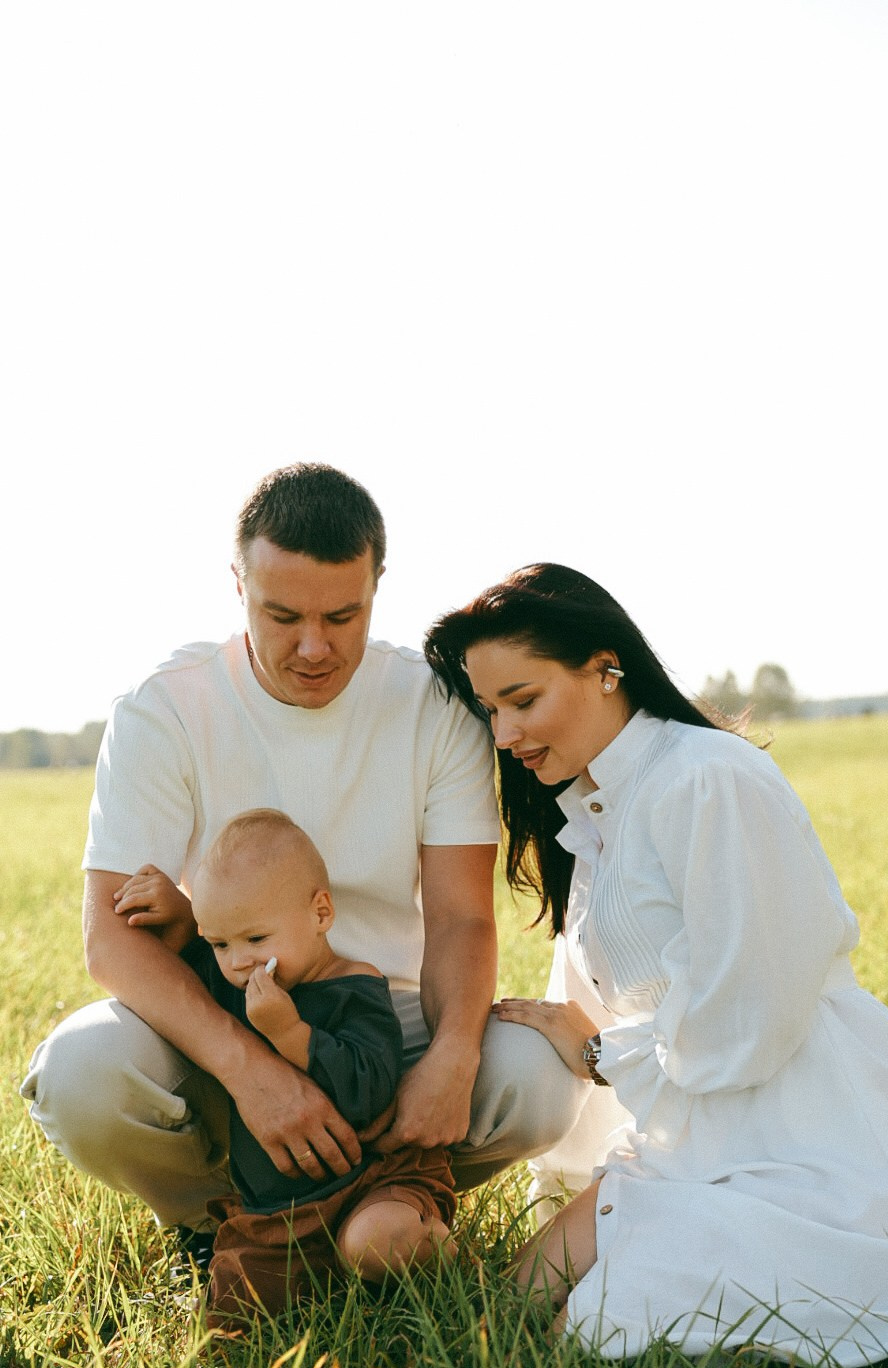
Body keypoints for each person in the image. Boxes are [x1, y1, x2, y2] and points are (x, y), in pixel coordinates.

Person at [423, 563, 888, 1366]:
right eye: (491, 710)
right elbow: (614, 1012)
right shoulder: (594, 815)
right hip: (697, 1133)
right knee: (506, 1309)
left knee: (592, 1329)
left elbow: (747, 1024)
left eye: (523, 702)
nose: (503, 736)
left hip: (815, 1133)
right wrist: (571, 1166)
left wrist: (597, 1054)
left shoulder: (707, 782)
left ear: (606, 668)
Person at [21, 466, 586, 1265]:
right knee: (79, 1075)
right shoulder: (165, 708)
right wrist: (255, 1072)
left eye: (342, 615)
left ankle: (392, 1197)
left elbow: (462, 915)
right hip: (230, 1010)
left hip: (388, 1025)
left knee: (535, 1086)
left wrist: (454, 1055)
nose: (314, 647)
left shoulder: (433, 705)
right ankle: (229, 1218)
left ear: (377, 586)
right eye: (281, 616)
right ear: (238, 584)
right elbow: (111, 942)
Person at [115, 810, 456, 1319]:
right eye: (220, 942)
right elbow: (180, 976)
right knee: (232, 1314)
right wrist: (184, 919)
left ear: (321, 914)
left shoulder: (354, 986)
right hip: (276, 1217)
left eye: (255, 939)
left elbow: (369, 1093)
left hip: (370, 1186)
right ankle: (330, 1284)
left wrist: (289, 1034)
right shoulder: (234, 983)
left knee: (376, 1241)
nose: (237, 961)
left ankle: (441, 1253)